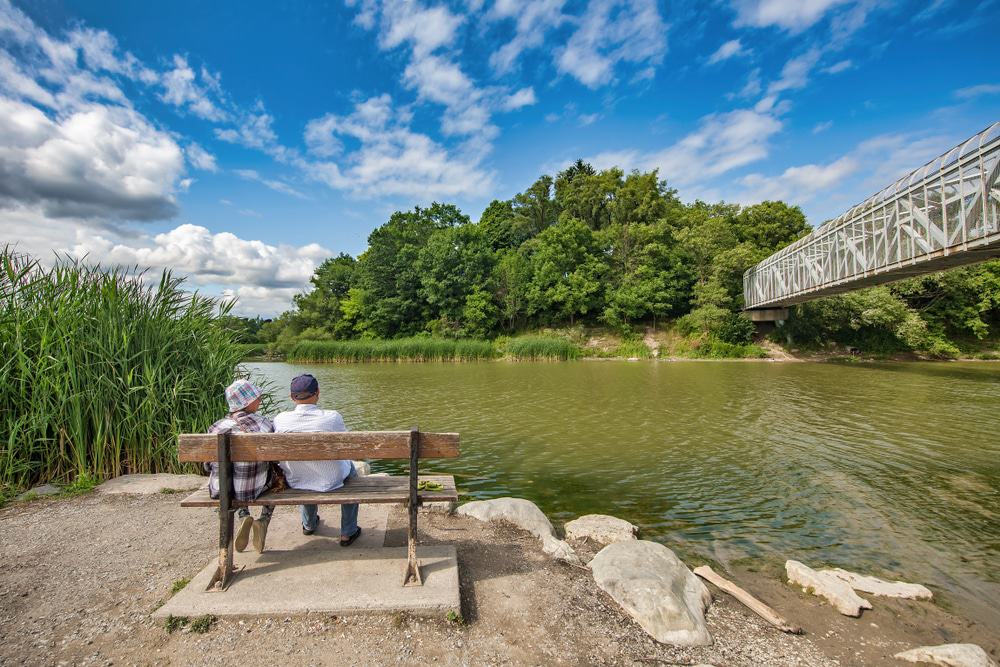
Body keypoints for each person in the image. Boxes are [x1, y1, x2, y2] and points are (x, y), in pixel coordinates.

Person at [273, 374, 362, 546]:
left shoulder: (280, 419)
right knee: (350, 469)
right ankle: (348, 531)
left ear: (292, 396)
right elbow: (347, 446)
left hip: (297, 479)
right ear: (318, 393)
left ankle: (309, 524)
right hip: (331, 480)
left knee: (303, 467)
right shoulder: (332, 417)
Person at [206, 379, 276, 554]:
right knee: (278, 479)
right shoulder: (264, 424)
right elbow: (274, 459)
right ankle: (263, 520)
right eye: (256, 397)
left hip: (221, 489)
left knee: (234, 478)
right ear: (248, 402)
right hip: (255, 489)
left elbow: (207, 465)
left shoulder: (216, 427)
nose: (259, 399)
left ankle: (244, 515)